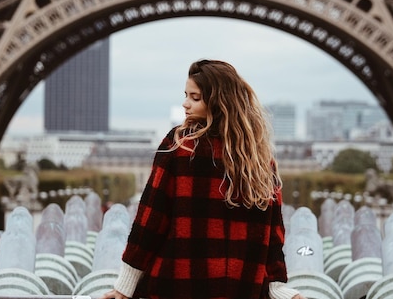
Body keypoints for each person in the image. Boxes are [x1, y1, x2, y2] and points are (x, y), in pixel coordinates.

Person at [101, 60, 306, 299]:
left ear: (219, 101)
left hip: (179, 284)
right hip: (242, 287)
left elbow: (151, 220)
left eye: (195, 98)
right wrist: (278, 286)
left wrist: (125, 285)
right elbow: (273, 233)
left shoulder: (179, 146)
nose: (185, 103)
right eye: (186, 95)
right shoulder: (259, 159)